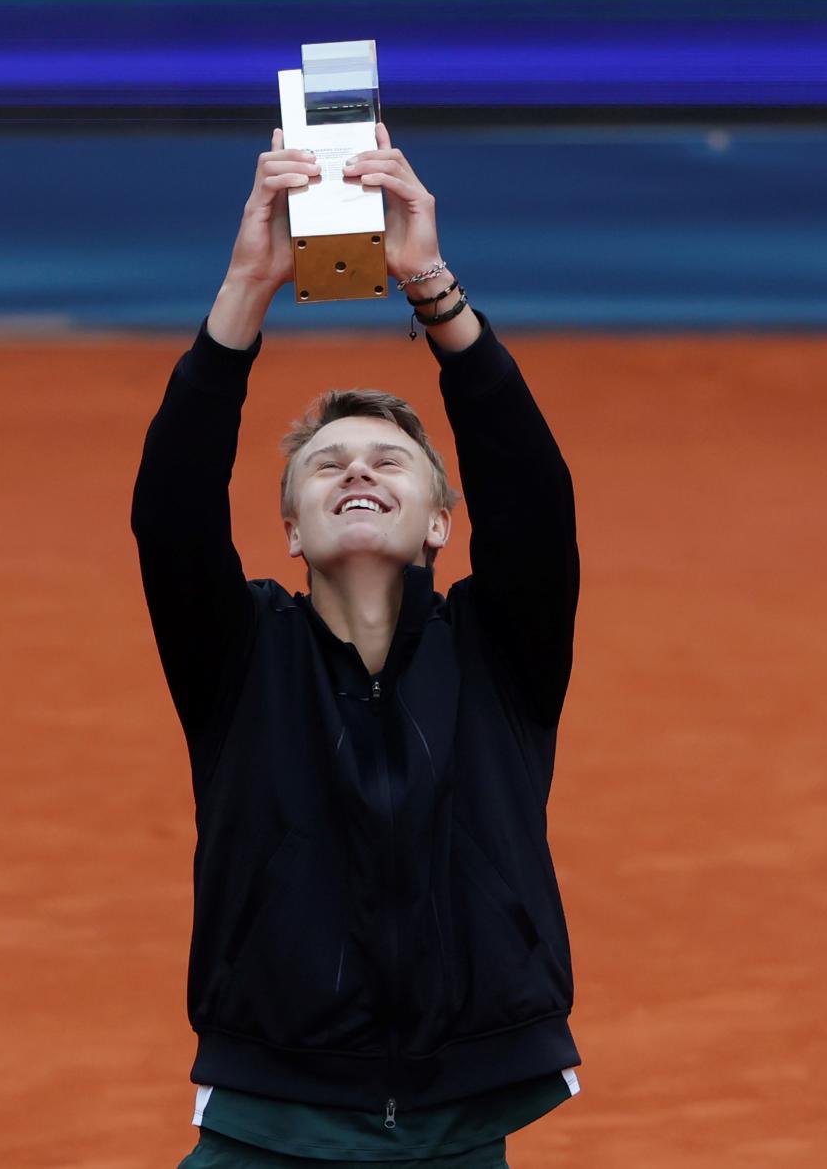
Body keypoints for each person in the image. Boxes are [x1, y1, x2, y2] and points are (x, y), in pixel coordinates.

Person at [131, 124, 582, 1168]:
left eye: (389, 457)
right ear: (289, 531)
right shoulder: (238, 659)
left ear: (439, 521)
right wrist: (250, 284)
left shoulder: (502, 656)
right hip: (266, 1120)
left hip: (466, 1122)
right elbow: (171, 513)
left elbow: (533, 498)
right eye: (325, 465)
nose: (356, 470)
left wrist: (430, 285)